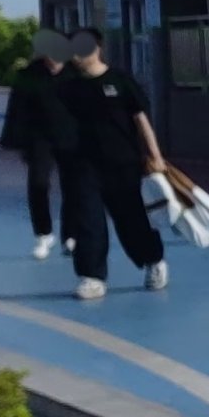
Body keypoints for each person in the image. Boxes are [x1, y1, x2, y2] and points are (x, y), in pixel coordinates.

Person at [52, 28, 169, 300]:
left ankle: (153, 260)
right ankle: (92, 277)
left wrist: (155, 156)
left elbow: (141, 120)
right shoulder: (68, 87)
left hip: (123, 163)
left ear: (97, 48)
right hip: (83, 165)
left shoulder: (120, 81)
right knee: (88, 220)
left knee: (131, 220)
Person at [0, 28, 72, 260]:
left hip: (71, 137)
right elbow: (16, 109)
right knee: (38, 184)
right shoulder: (29, 75)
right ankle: (43, 234)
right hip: (39, 138)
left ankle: (70, 235)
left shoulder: (75, 74)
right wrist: (17, 141)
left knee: (73, 187)